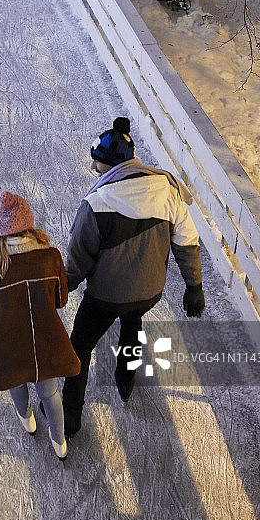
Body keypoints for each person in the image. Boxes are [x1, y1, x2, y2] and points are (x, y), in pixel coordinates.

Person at [62, 117, 204, 437]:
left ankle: (70, 413)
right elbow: (187, 241)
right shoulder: (168, 189)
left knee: (80, 346)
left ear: (109, 164)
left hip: (105, 297)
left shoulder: (97, 203)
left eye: (96, 160)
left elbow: (78, 260)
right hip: (149, 291)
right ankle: (126, 379)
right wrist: (194, 286)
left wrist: (62, 288)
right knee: (132, 322)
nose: (93, 165)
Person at [0, 191, 80, 460]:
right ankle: (59, 443)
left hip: (8, 346)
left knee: (16, 384)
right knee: (51, 394)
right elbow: (61, 300)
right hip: (46, 343)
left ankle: (28, 421)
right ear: (28, 223)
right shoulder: (50, 256)